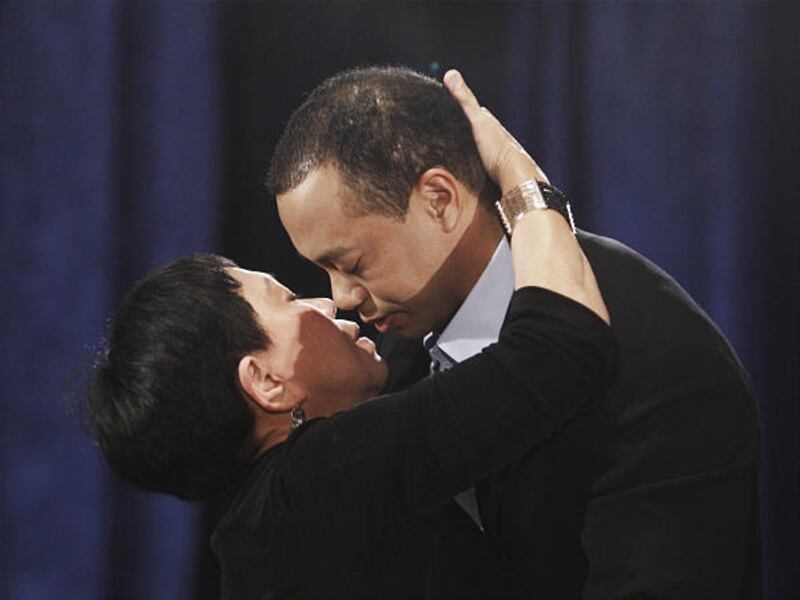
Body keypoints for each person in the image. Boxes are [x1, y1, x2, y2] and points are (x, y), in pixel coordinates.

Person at [269, 66, 763, 598]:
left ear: (440, 199)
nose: (342, 298)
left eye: (353, 263)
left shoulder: (659, 359)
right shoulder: (396, 355)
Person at [87, 123, 616, 598]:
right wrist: (518, 177)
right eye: (289, 301)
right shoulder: (323, 479)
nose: (329, 301)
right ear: (267, 382)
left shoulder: (261, 530)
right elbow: (561, 349)